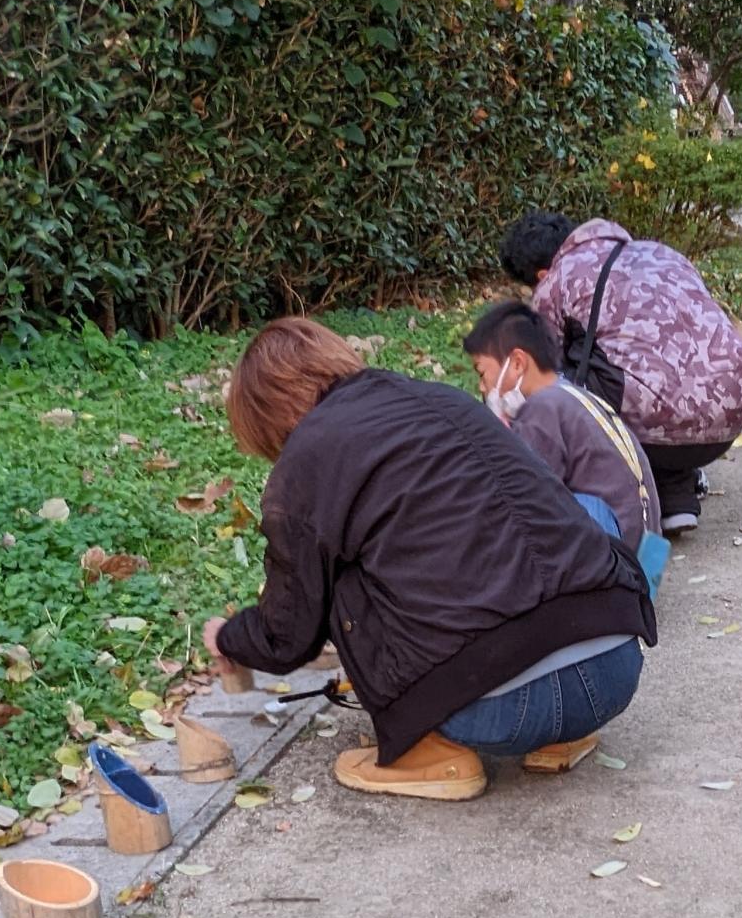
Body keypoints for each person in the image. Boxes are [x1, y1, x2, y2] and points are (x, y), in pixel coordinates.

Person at [204, 317, 656, 798]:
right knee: (579, 508)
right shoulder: (442, 398)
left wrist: (230, 637)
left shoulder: (305, 464)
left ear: (266, 416)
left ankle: (432, 754)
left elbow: (289, 633)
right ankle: (566, 735)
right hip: (615, 671)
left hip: (501, 710)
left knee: (342, 576)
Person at [501, 210, 742, 535]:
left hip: (659, 425)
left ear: (539, 273)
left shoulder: (558, 279)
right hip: (728, 416)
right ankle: (677, 498)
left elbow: (544, 367)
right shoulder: (662, 252)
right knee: (653, 367)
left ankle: (628, 498)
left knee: (568, 384)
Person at [463, 298, 666, 572]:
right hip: (645, 558)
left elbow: (524, 496)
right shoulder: (573, 394)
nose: (483, 387)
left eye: (482, 372)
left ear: (518, 363)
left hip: (614, 565)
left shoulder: (542, 409)